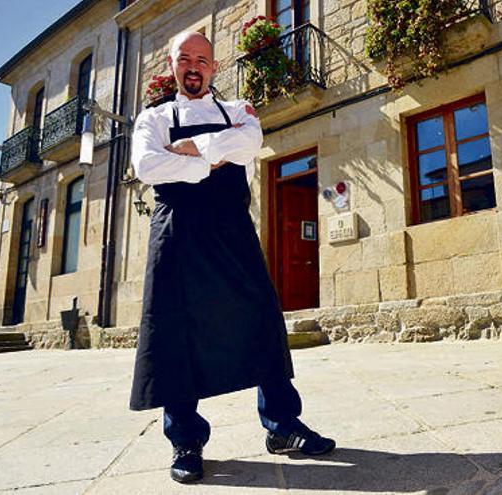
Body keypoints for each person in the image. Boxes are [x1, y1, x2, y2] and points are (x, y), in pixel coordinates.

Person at [128, 31, 334, 484]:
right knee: (175, 335)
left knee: (261, 320)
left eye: (202, 59)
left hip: (232, 229)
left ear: (214, 67)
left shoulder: (238, 111)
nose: (194, 66)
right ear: (173, 65)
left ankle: (282, 427)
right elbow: (147, 167)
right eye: (185, 59)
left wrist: (192, 150)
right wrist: (211, 160)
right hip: (176, 232)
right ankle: (185, 441)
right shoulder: (153, 118)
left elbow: (251, 143)